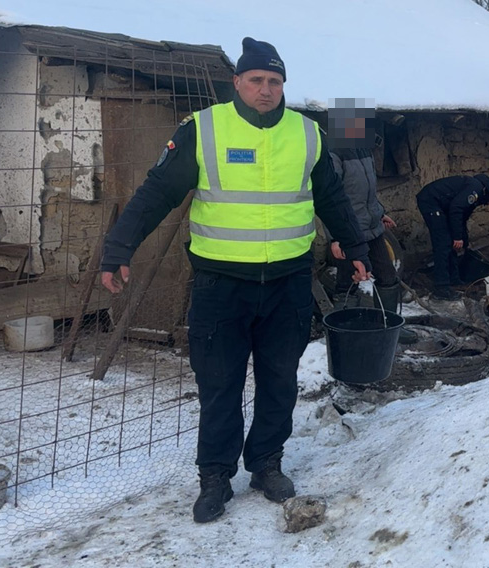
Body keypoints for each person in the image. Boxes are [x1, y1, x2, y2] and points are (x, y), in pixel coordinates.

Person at [100, 37, 371, 524]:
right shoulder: (203, 129)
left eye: (275, 81)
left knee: (279, 380)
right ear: (237, 82)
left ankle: (266, 463)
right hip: (220, 285)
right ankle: (215, 476)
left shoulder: (307, 133)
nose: (266, 90)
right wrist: (119, 248)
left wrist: (355, 248)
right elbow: (156, 193)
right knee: (219, 384)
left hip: (288, 283)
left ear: (283, 85)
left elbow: (331, 197)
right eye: (256, 80)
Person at [325, 103, 401, 315]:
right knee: (348, 281)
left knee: (387, 276)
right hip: (348, 231)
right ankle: (346, 326)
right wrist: (335, 238)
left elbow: (368, 191)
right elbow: (329, 198)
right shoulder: (334, 153)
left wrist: (380, 212)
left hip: (373, 228)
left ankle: (386, 323)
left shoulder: (364, 151)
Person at [416, 174, 489, 301]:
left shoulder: (479, 191)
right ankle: (441, 287)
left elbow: (463, 216)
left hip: (443, 205)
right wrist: (457, 237)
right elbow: (456, 209)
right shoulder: (475, 190)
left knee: (452, 245)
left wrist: (463, 238)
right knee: (443, 244)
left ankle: (454, 280)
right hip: (431, 201)